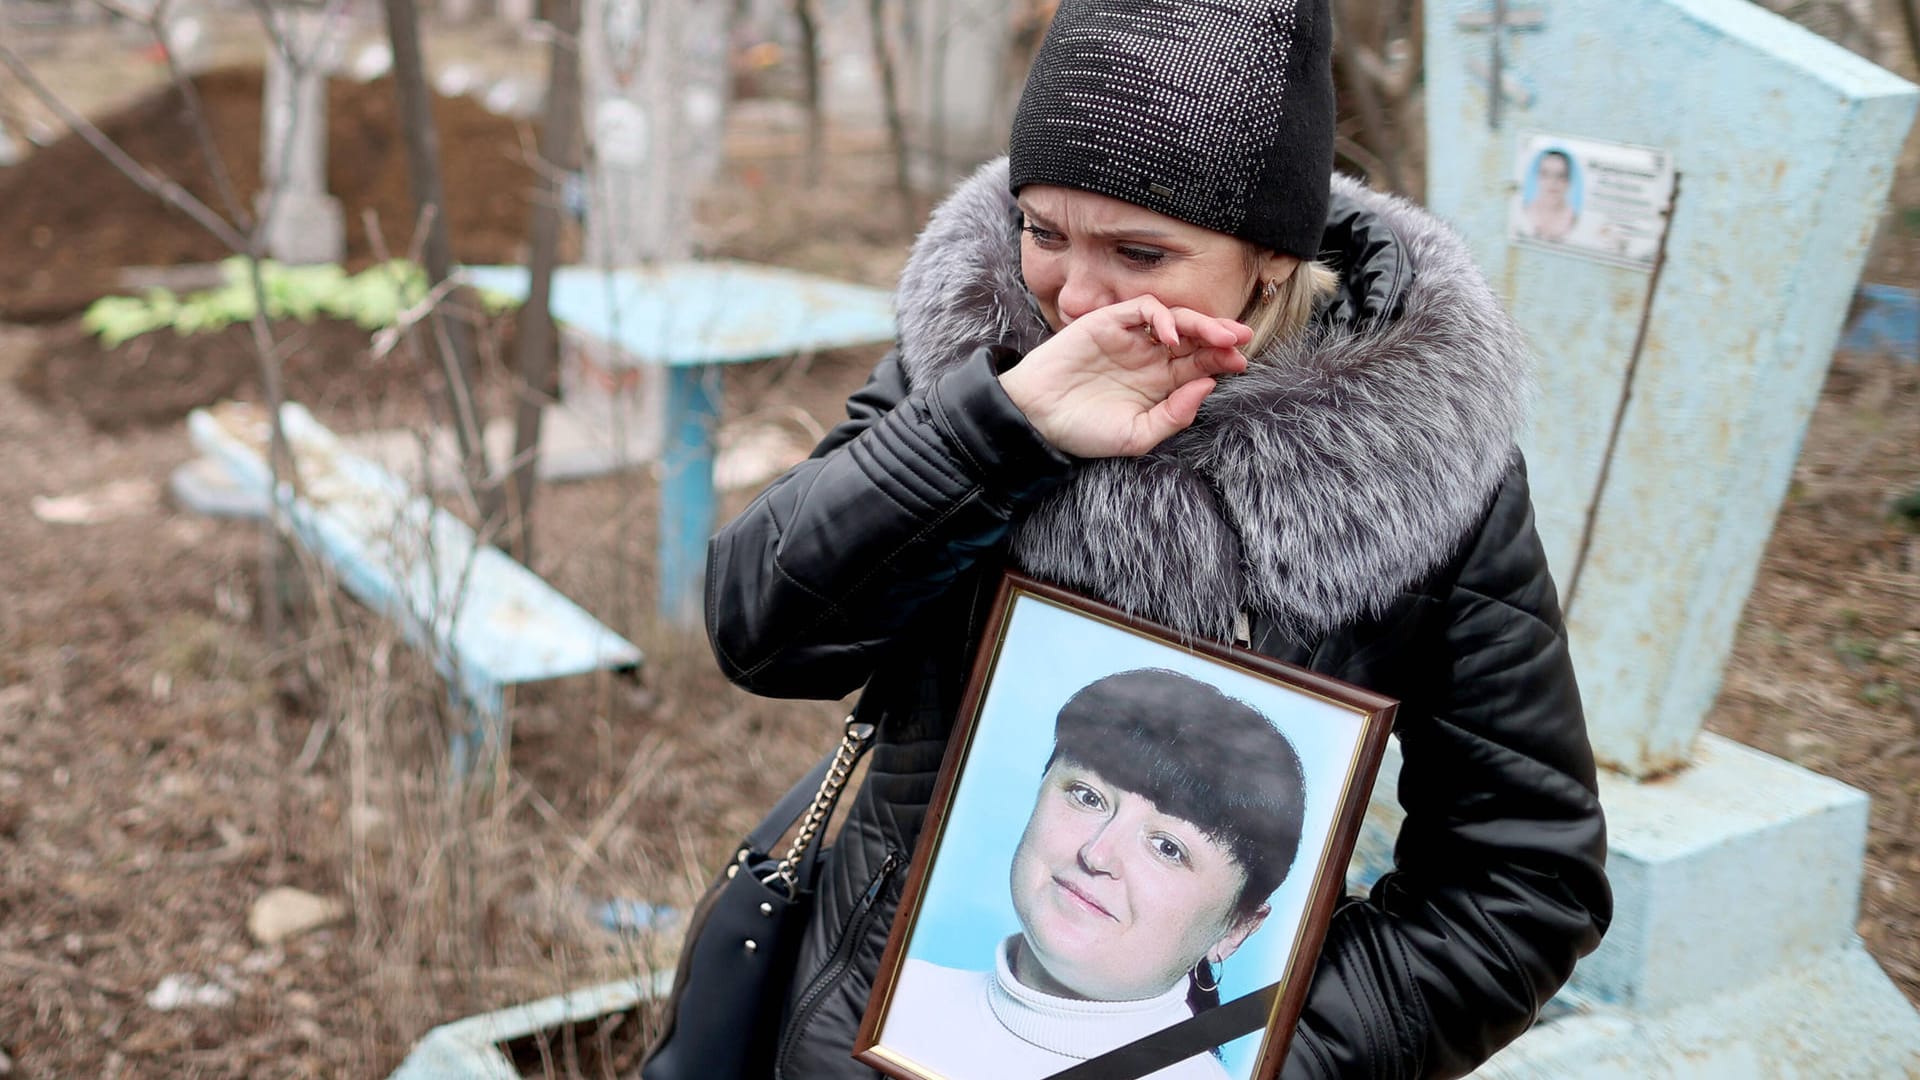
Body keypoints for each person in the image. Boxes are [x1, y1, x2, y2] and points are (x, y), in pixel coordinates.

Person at [704, 0, 1612, 1076]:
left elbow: (1524, 879)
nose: (1075, 297)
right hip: (854, 1037)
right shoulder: (976, 363)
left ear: (1272, 257)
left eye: (1141, 251)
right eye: (1043, 231)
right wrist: (996, 433)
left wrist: (1232, 1053)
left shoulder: (1429, 465)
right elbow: (764, 634)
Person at [880, 670, 1306, 1078]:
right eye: (1088, 797)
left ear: (1236, 929)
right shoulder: (897, 994)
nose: (1096, 853)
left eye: (1167, 848)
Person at [1523, 150, 1578, 242]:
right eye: (1546, 174)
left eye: (1560, 176)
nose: (1552, 182)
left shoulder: (1573, 219)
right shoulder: (1526, 211)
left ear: (1568, 182)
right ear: (1538, 178)